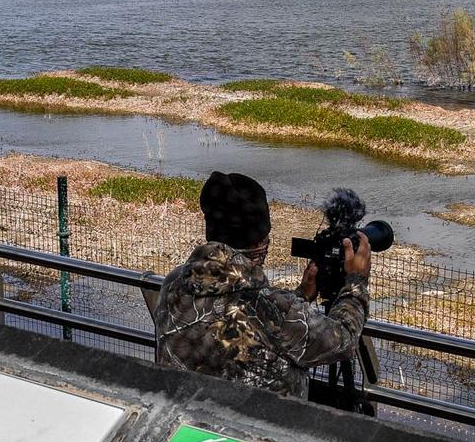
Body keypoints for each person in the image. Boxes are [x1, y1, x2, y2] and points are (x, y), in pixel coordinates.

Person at [153, 171, 372, 400]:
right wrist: (355, 281)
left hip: (186, 417)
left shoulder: (174, 282)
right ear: (259, 241)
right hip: (259, 428)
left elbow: (258, 325)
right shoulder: (271, 308)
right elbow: (343, 340)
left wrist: (300, 296)